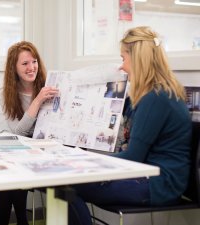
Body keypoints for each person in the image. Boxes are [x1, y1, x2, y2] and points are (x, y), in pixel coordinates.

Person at [68, 26, 192, 225]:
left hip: (159, 184)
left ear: (138, 59)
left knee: (66, 188)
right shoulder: (152, 94)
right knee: (64, 185)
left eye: (123, 58)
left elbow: (133, 157)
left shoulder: (157, 98)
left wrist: (86, 161)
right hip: (151, 176)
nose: (121, 67)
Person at [0, 41, 58, 225]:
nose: (32, 67)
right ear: (13, 68)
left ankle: (22, 220)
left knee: (14, 166)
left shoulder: (49, 87)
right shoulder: (6, 94)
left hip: (48, 149)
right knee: (6, 167)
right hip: (24, 148)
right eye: (24, 64)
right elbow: (19, 131)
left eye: (34, 61)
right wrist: (37, 101)